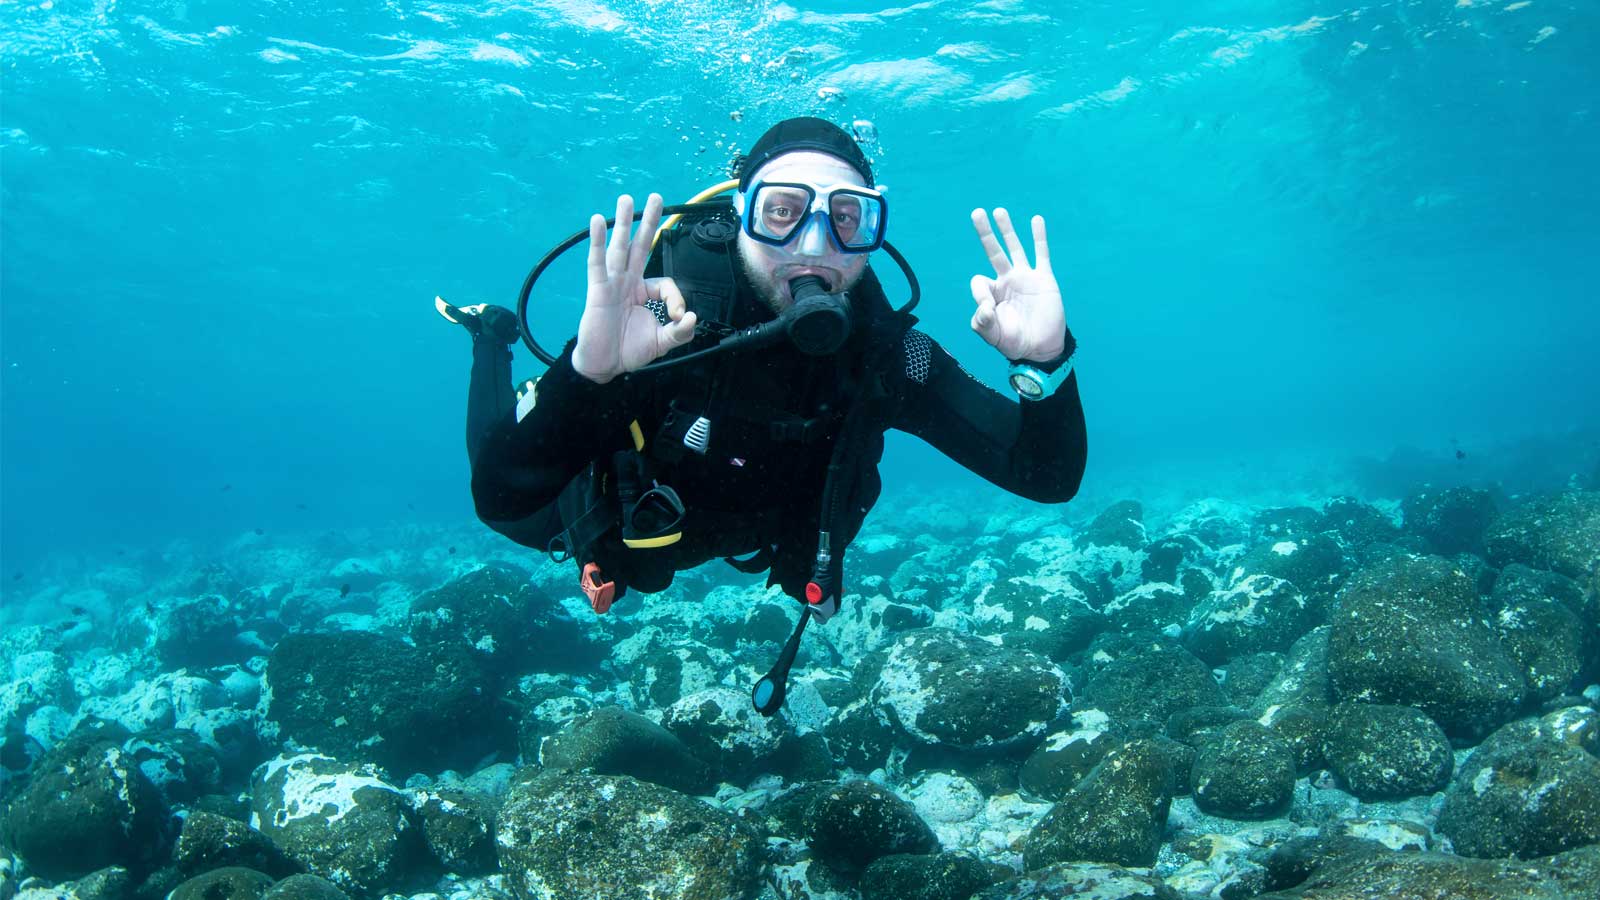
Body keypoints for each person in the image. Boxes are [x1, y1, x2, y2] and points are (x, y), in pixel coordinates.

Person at [441, 117, 1086, 711]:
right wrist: (589, 374)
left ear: (871, 233)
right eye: (780, 211)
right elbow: (500, 495)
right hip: (627, 522)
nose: (814, 244)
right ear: (741, 213)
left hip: (755, 532)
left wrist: (1046, 365)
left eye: (847, 218)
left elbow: (1047, 475)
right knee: (519, 507)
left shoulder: (886, 354)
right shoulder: (665, 321)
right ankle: (488, 338)